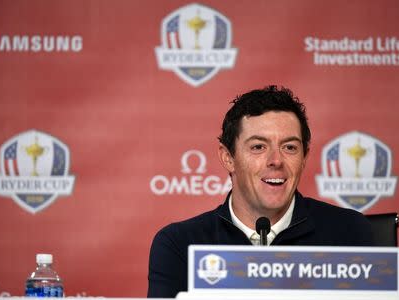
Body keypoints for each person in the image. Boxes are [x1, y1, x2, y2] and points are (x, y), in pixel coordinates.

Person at [147, 85, 374, 298]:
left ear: (304, 158)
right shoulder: (180, 244)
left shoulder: (350, 233)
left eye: (290, 148)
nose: (276, 160)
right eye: (258, 147)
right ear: (228, 158)